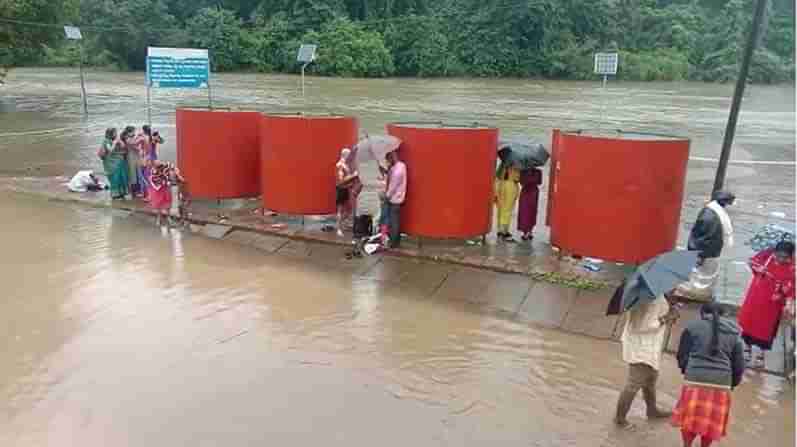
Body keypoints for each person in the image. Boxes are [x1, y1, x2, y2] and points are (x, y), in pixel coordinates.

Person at [672, 301, 745, 447]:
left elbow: (682, 356)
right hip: (721, 383)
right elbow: (739, 365)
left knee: (690, 420)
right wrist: (731, 384)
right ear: (724, 315)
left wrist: (688, 371)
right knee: (710, 424)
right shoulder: (735, 331)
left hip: (695, 380)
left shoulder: (692, 327)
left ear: (702, 314)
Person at [614, 293, 680, 429]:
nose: (675, 290)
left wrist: (669, 309)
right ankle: (620, 419)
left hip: (648, 346)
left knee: (650, 379)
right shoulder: (650, 299)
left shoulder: (655, 296)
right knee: (633, 384)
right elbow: (641, 326)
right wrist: (666, 318)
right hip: (641, 348)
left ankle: (652, 410)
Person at [737, 240, 795, 367]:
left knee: (767, 332)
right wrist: (759, 268)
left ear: (790, 256)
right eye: (778, 255)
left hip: (773, 306)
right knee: (749, 325)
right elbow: (751, 262)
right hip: (755, 299)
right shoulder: (766, 256)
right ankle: (747, 349)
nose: (780, 259)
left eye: (785, 257)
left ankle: (761, 355)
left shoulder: (792, 269)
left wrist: (789, 303)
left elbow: (792, 289)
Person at [676, 191, 736, 301]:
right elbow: (705, 237)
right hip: (707, 252)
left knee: (701, 276)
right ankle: (696, 296)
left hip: (707, 251)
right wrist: (701, 254)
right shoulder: (712, 216)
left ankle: (696, 295)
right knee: (701, 277)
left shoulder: (711, 212)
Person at [494, 147, 521, 242]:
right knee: (508, 209)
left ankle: (499, 229)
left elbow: (497, 176)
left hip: (500, 185)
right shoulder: (516, 165)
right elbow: (518, 178)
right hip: (510, 186)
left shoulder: (502, 165)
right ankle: (504, 231)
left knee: (501, 209)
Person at [97, 127, 129, 200]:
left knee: (121, 177)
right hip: (111, 163)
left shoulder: (115, 139)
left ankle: (121, 193)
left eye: (116, 132)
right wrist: (115, 143)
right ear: (110, 133)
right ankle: (115, 194)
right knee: (114, 178)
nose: (116, 134)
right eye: (115, 133)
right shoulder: (106, 141)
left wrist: (120, 141)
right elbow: (110, 150)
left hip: (119, 162)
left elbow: (123, 147)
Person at [384, 150, 407, 249]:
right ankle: (396, 241)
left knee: (393, 222)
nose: (387, 162)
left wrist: (386, 197)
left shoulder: (397, 171)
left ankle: (393, 243)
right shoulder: (401, 166)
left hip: (394, 199)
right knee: (395, 220)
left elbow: (392, 186)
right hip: (399, 197)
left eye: (388, 160)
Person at [335, 147, 359, 237]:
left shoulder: (344, 165)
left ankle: (341, 224)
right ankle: (339, 228)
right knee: (341, 210)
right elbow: (341, 180)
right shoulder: (340, 165)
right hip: (341, 189)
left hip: (346, 189)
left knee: (349, 209)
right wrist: (353, 175)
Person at [517, 167, 542, 241]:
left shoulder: (523, 171)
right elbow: (540, 182)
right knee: (532, 212)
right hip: (534, 192)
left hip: (525, 192)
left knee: (524, 212)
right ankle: (530, 231)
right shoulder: (538, 171)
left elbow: (521, 182)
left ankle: (525, 233)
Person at [149, 161, 174, 226]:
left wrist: (167, 180)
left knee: (167, 204)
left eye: (160, 165)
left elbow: (168, 176)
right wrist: (161, 182)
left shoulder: (164, 169)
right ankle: (159, 218)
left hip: (165, 189)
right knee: (158, 205)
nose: (159, 168)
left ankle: (168, 217)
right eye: (157, 166)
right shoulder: (153, 172)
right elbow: (153, 180)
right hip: (158, 191)